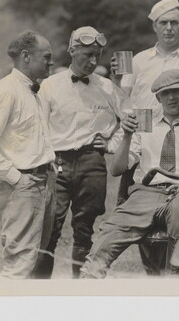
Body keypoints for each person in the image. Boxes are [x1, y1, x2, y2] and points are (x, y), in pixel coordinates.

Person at [80, 69, 179, 278]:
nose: (171, 97)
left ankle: (174, 280)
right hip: (146, 194)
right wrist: (127, 136)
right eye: (165, 93)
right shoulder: (145, 128)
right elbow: (116, 169)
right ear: (158, 98)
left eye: (176, 91)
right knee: (109, 233)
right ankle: (89, 280)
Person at [34, 26, 129, 278]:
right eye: (88, 54)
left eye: (98, 55)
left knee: (85, 229)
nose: (94, 61)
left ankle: (81, 290)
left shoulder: (107, 87)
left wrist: (112, 143)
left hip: (92, 163)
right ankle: (39, 292)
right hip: (57, 162)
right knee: (49, 227)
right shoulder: (50, 86)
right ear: (72, 50)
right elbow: (38, 127)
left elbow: (133, 118)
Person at [0, 30, 55, 278]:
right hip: (21, 188)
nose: (51, 62)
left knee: (35, 261)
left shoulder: (33, 90)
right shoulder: (5, 91)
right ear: (26, 56)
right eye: (46, 56)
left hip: (43, 183)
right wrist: (17, 179)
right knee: (18, 266)